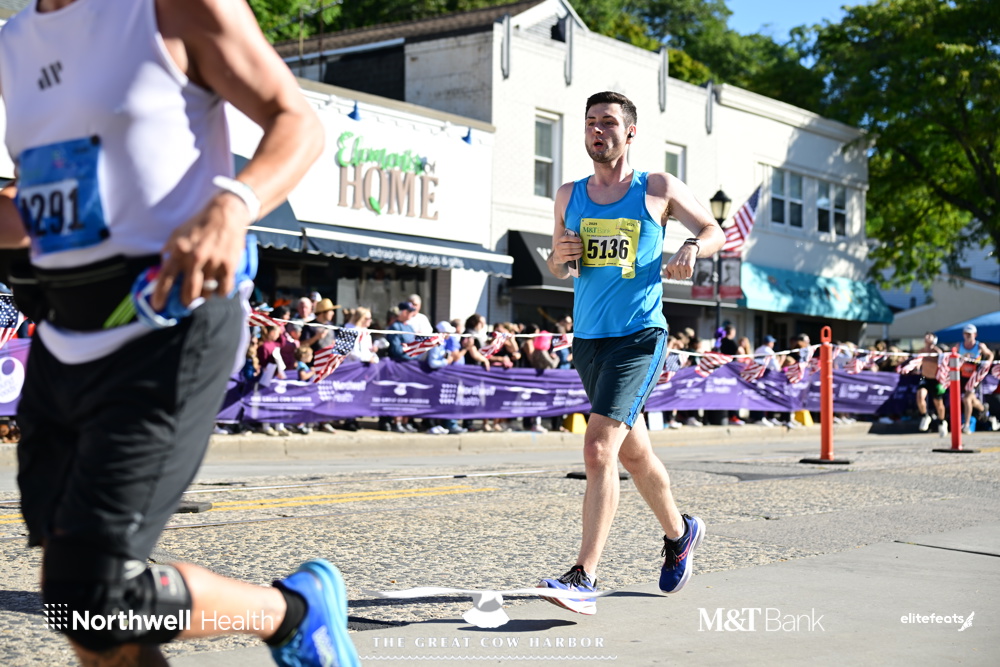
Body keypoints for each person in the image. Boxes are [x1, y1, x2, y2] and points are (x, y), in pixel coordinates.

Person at [0, 1, 360, 666]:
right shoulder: (14, 42)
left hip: (168, 326)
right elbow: (51, 204)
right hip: (63, 340)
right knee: (81, 609)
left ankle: (293, 612)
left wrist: (233, 206)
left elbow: (298, 124)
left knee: (97, 593)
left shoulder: (169, 7)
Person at [540, 91, 724, 614]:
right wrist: (558, 256)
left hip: (639, 336)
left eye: (608, 122)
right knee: (634, 454)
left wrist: (691, 247)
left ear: (630, 132)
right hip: (588, 340)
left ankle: (583, 576)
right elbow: (557, 265)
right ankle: (681, 533)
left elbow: (714, 229)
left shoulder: (656, 188)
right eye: (590, 123)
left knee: (598, 448)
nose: (598, 131)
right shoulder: (569, 194)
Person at [958, 324, 995, 434]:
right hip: (962, 376)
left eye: (970, 334)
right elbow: (952, 357)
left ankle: (966, 424)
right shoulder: (959, 345)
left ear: (975, 335)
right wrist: (961, 359)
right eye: (966, 334)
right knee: (972, 400)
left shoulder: (979, 346)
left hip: (975, 377)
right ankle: (983, 409)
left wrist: (987, 363)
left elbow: (990, 354)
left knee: (967, 399)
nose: (967, 336)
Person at [915, 332, 946, 434]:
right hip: (924, 377)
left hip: (935, 379)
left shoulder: (937, 352)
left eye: (929, 336)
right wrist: (917, 366)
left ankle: (941, 421)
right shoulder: (921, 351)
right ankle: (925, 416)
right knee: (920, 396)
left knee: (938, 403)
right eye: (926, 336)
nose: (927, 338)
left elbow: (943, 364)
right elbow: (918, 361)